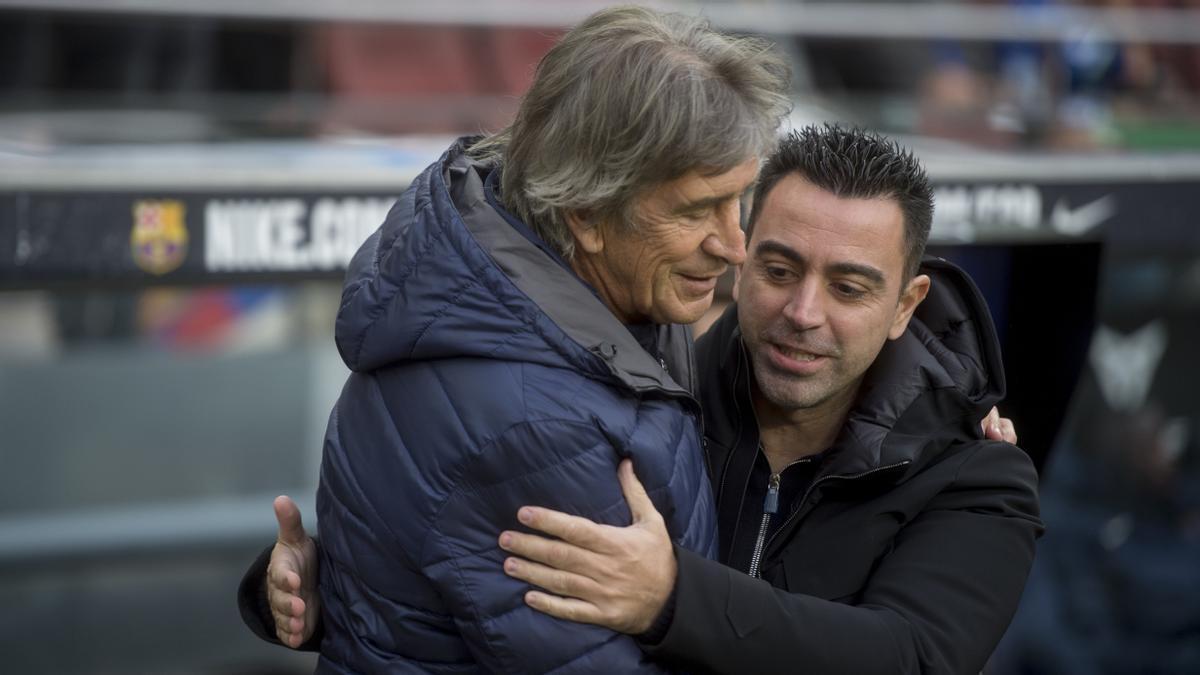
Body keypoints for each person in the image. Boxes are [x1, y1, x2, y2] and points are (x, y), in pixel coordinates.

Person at [246, 125, 1038, 674]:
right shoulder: (651, 392)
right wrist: (326, 587)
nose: (803, 311)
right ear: (738, 257)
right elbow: (483, 578)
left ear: (908, 303)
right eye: (779, 268)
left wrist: (673, 599)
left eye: (850, 286)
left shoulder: (977, 476)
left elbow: (912, 658)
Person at [243, 6, 792, 673]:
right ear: (587, 214)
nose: (734, 245)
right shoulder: (533, 428)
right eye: (695, 210)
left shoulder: (564, 280)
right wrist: (683, 600)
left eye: (739, 200)